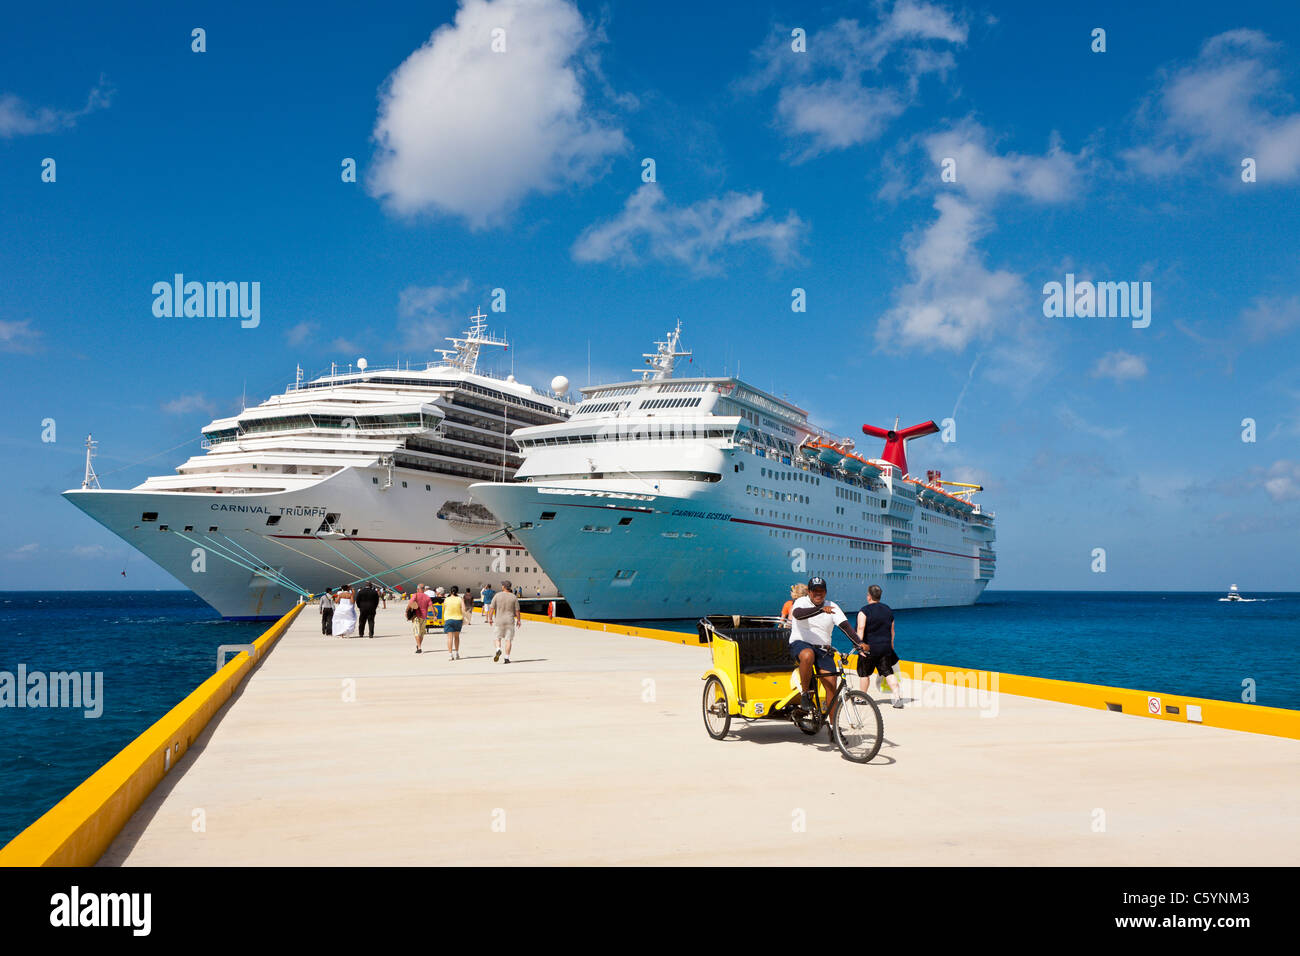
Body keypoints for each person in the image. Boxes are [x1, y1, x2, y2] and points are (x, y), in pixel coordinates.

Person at [788, 576, 858, 716]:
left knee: (832, 685)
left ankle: (833, 730)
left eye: (821, 590)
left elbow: (845, 626)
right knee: (808, 654)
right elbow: (798, 614)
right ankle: (805, 694)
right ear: (809, 592)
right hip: (800, 643)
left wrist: (859, 643)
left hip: (823, 650)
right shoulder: (801, 602)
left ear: (825, 592)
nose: (818, 593)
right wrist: (820, 609)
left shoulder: (832, 606)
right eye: (815, 590)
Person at [856, 584, 904, 709]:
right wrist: (891, 645)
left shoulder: (864, 611)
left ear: (869, 596)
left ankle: (862, 698)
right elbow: (892, 630)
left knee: (864, 674)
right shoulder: (888, 610)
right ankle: (897, 697)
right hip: (885, 647)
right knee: (888, 672)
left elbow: (860, 628)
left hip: (868, 648)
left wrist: (858, 645)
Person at [488, 579, 521, 663]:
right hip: (509, 621)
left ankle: (498, 649)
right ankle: (506, 658)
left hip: (499, 621)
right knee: (508, 640)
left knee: (497, 638)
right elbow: (517, 610)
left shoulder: (497, 595)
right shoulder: (514, 597)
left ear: (503, 587)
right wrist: (519, 620)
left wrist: (490, 618)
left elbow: (491, 608)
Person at [443, 587, 465, 660]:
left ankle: (450, 654)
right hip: (458, 619)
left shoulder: (446, 599)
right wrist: (463, 618)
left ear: (450, 591)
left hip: (448, 619)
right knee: (456, 637)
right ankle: (457, 653)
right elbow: (464, 609)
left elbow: (444, 609)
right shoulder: (460, 599)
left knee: (449, 638)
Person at [409, 584, 433, 654]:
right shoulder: (427, 597)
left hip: (416, 616)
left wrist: (408, 611)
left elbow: (410, 602)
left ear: (418, 589)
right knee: (422, 633)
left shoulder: (415, 595)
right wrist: (434, 615)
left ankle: (419, 647)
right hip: (424, 616)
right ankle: (419, 645)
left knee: (417, 632)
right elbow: (431, 606)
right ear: (424, 589)